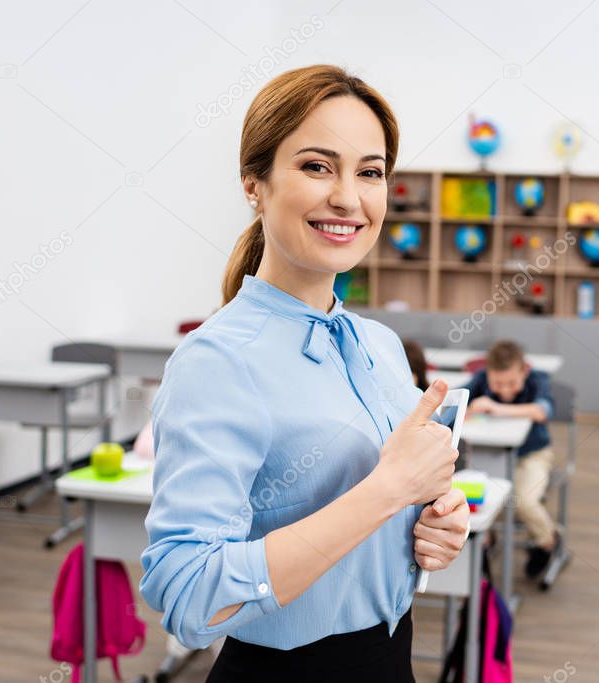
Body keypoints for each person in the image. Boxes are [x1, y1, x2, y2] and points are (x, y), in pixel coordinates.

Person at [139, 65, 470, 683]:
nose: (348, 197)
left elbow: (391, 506)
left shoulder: (381, 345)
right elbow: (187, 597)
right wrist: (386, 493)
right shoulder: (218, 360)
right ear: (254, 185)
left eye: (369, 172)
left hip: (393, 658)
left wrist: (433, 524)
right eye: (318, 166)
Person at [466, 340, 559, 578]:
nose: (505, 390)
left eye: (512, 383)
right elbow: (458, 403)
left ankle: (547, 541)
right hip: (490, 455)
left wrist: (495, 407)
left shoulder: (538, 379)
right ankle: (485, 543)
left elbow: (541, 412)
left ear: (524, 371)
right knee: (475, 502)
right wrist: (471, 408)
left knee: (524, 501)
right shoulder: (481, 378)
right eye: (497, 383)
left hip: (532, 455)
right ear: (488, 374)